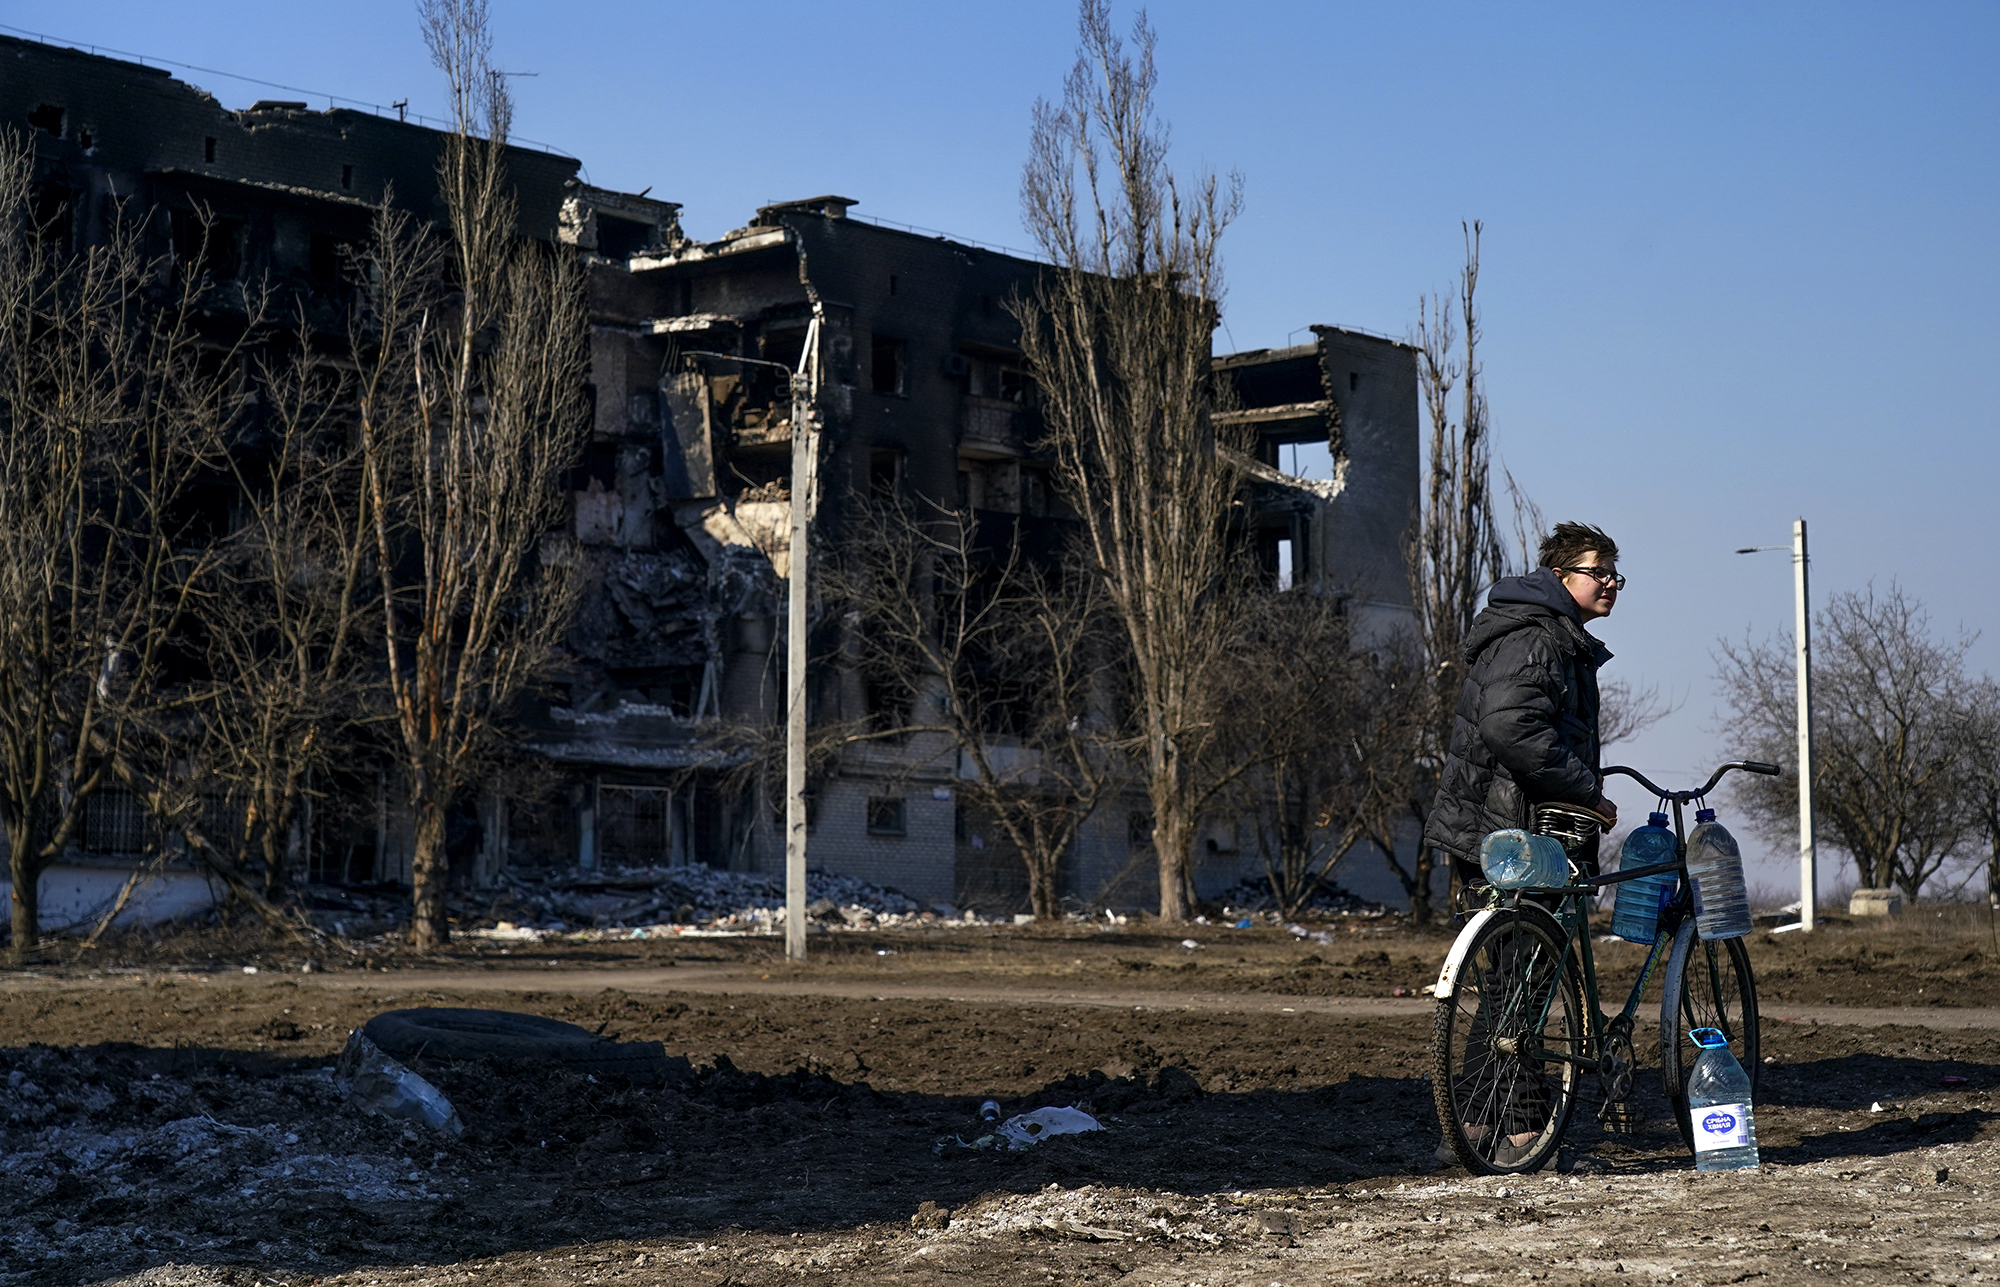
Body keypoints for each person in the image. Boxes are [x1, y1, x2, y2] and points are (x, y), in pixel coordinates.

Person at [1423, 521, 1622, 912]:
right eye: (1598, 571)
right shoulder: (1536, 638)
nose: (1611, 583)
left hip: (1516, 828)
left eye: (1615, 575)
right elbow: (1510, 726)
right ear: (1559, 576)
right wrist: (1587, 791)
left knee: (1525, 965)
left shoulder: (1560, 639)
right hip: (1508, 834)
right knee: (1522, 962)